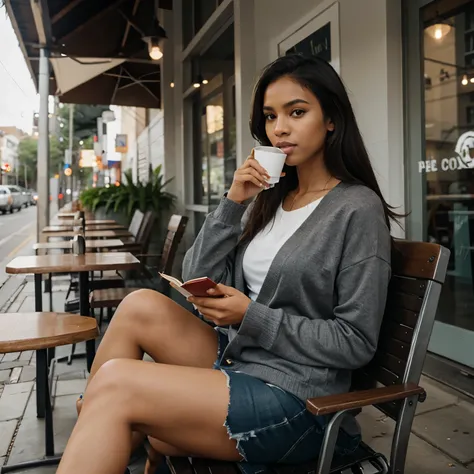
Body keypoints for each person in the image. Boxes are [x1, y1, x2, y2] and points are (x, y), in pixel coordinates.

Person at [57, 54, 396, 474]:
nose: (280, 128)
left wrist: (251, 315)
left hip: (302, 398)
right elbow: (195, 272)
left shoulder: (356, 209)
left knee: (115, 385)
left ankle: (102, 419)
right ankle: (103, 422)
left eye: (297, 112)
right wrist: (233, 203)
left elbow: (355, 342)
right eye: (271, 116)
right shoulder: (273, 199)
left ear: (331, 119)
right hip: (245, 357)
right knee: (139, 305)